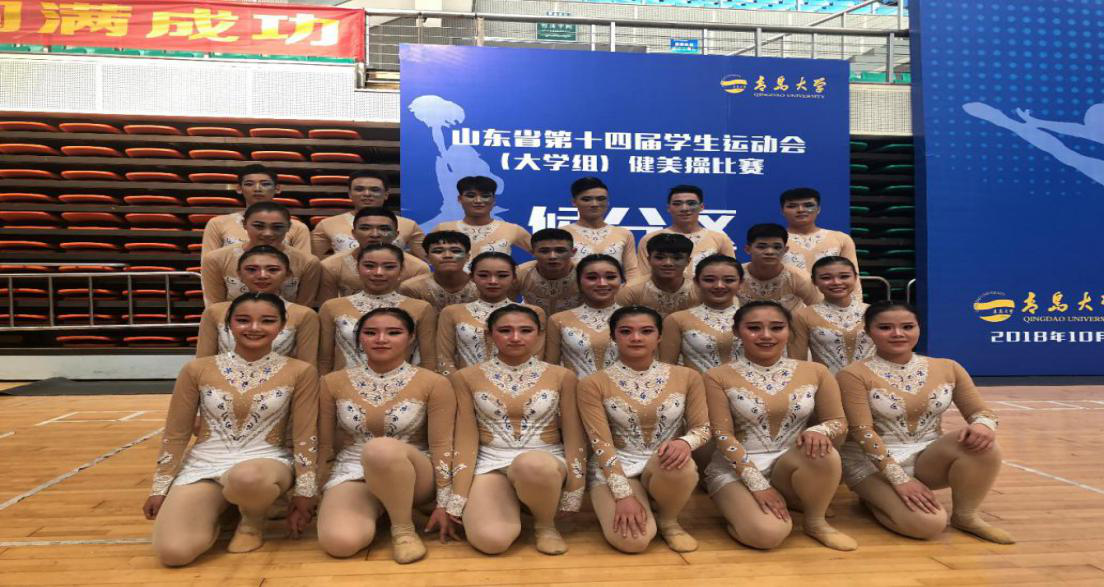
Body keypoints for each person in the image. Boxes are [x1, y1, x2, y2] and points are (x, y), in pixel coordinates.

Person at [142, 293, 318, 566]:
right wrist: (160, 486)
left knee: (247, 478)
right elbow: (176, 433)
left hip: (265, 462)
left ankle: (252, 521)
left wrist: (304, 491)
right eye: (243, 320)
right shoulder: (196, 370)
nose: (254, 328)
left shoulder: (300, 371)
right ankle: (225, 509)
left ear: (282, 326)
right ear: (228, 324)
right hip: (205, 464)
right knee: (173, 552)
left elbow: (305, 435)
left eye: (267, 321)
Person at [837, 302, 1013, 544]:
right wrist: (899, 479)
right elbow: (861, 431)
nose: (898, 334)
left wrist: (984, 425)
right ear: (868, 331)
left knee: (984, 445)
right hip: (870, 462)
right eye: (885, 327)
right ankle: (872, 498)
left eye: (907, 327)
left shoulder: (948, 367)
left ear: (919, 328)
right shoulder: (853, 374)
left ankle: (966, 516)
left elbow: (981, 412)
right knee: (928, 525)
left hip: (928, 455)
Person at [702, 301, 857, 552]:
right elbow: (721, 434)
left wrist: (817, 430)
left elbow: (838, 422)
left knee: (824, 452)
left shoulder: (816, 371)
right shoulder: (717, 376)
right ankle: (741, 509)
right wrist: (757, 484)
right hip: (736, 468)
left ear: (789, 330)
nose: (766, 335)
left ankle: (816, 522)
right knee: (767, 535)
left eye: (776, 327)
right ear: (737, 331)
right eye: (754, 328)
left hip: (791, 463)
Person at [316, 308, 458, 563]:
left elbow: (442, 445)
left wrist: (444, 502)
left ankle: (403, 529)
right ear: (359, 338)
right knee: (340, 543)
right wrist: (310, 492)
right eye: (371, 333)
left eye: (393, 333)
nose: (381, 339)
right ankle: (382, 509)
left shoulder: (434, 382)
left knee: (380, 449)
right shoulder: (332, 382)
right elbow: (324, 444)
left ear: (411, 337)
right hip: (354, 469)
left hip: (415, 473)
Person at [449, 305, 586, 555]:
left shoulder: (562, 376)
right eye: (505, 330)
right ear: (489, 335)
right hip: (491, 462)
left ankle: (545, 524)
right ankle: (513, 506)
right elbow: (466, 438)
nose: (515, 337)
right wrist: (456, 497)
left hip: (545, 461)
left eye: (525, 330)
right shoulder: (465, 377)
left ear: (539, 335)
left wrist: (575, 490)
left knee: (531, 464)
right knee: (491, 541)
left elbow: (573, 434)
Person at [577, 306, 710, 554]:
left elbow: (702, 428)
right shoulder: (592, 383)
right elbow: (600, 443)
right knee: (633, 542)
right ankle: (640, 501)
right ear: (613, 336)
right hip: (616, 466)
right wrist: (623, 495)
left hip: (665, 463)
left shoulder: (688, 377)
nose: (636, 338)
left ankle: (669, 521)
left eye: (646, 331)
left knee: (682, 465)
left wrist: (685, 442)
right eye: (626, 331)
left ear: (659, 336)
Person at [317, 244, 436, 373]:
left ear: (401, 270)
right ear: (357, 268)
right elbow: (324, 360)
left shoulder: (421, 308)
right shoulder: (332, 307)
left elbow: (428, 360)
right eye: (369, 266)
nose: (378, 273)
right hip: (343, 383)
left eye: (389, 267)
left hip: (405, 383)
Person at [195, 245, 319, 365]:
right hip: (219, 378)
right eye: (251, 269)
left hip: (286, 379)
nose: (262, 276)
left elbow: (308, 368)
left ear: (288, 274)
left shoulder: (304, 314)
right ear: (239, 274)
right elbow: (202, 364)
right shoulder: (214, 312)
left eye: (273, 270)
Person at [436, 252, 546, 376]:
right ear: (472, 277)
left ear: (514, 278)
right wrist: (461, 384)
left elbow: (536, 359)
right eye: (483, 275)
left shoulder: (533, 312)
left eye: (502, 275)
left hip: (522, 383)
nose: (493, 281)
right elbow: (444, 359)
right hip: (464, 384)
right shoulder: (452, 312)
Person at [200, 202, 321, 307]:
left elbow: (304, 310)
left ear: (289, 227)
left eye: (277, 227)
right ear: (244, 224)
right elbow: (215, 309)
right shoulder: (216, 259)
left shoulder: (307, 262)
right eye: (259, 226)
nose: (268, 233)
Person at [316, 207, 430, 303]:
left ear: (396, 234)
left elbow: (420, 311)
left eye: (384, 228)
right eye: (365, 228)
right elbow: (328, 309)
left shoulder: (417, 268)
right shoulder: (331, 265)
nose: (375, 234)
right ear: (354, 233)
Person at [310, 170, 426, 258]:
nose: (367, 194)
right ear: (349, 194)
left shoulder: (409, 225)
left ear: (386, 194)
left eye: (374, 190)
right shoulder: (327, 224)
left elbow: (427, 258)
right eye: (359, 189)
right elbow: (311, 261)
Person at [201, 165, 310, 258]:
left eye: (265, 184)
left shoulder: (297, 228)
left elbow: (304, 267)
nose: (257, 189)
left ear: (277, 188)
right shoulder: (218, 224)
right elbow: (208, 264)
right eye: (249, 184)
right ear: (239, 188)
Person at [659, 255, 744, 372]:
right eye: (709, 280)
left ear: (741, 283)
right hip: (697, 384)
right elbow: (667, 368)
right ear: (696, 282)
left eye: (729, 280)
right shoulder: (676, 320)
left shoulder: (755, 319)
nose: (719, 286)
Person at [788, 256, 873, 373]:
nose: (836, 282)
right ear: (814, 281)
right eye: (826, 278)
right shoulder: (802, 316)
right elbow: (797, 362)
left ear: (855, 277)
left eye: (844, 276)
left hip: (873, 382)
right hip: (826, 383)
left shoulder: (873, 312)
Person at [546, 254, 623, 378]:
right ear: (578, 282)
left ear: (621, 280)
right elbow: (551, 369)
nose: (602, 283)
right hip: (575, 389)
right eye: (592, 277)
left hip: (625, 389)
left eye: (610, 277)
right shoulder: (558, 320)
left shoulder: (637, 319)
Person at [636, 185, 735, 277]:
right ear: (669, 208)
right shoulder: (650, 239)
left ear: (701, 207)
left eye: (691, 203)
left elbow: (730, 274)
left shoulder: (720, 239)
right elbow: (644, 277)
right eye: (677, 204)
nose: (684, 208)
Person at [430, 176, 532, 262]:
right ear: (460, 199)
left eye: (485, 196)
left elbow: (540, 253)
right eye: (471, 196)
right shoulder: (443, 229)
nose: (478, 201)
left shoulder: (512, 229)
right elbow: (425, 258)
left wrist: (519, 272)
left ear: (493, 200)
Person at [561, 177, 641, 282]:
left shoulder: (624, 234)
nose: (594, 204)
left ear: (607, 202)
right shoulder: (562, 234)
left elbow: (632, 272)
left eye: (601, 199)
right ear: (574, 202)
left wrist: (629, 291)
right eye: (586, 199)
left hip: (613, 291)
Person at [737, 223, 820, 312]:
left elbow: (820, 309)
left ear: (785, 250)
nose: (770, 252)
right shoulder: (735, 274)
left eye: (777, 247)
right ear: (747, 249)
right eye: (761, 247)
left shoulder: (799, 278)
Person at [616, 233, 700, 318]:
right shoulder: (629, 291)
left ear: (688, 261)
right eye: (660, 257)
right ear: (649, 259)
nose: (668, 263)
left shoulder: (700, 289)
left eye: (677, 258)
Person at [779, 188, 861, 274]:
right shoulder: (775, 240)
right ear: (782, 211)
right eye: (792, 206)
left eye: (808, 205)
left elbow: (853, 278)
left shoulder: (841, 239)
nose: (801, 210)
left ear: (818, 209)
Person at [398, 230, 480, 312]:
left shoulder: (481, 285)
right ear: (427, 258)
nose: (447, 256)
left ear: (467, 256)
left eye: (455, 251)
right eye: (438, 251)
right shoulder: (411, 288)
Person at [515, 228, 582, 317]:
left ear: (573, 252)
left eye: (560, 250)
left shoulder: (585, 273)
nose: (552, 256)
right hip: (531, 323)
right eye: (544, 251)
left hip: (576, 323)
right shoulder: (519, 273)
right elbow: (504, 305)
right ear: (533, 252)